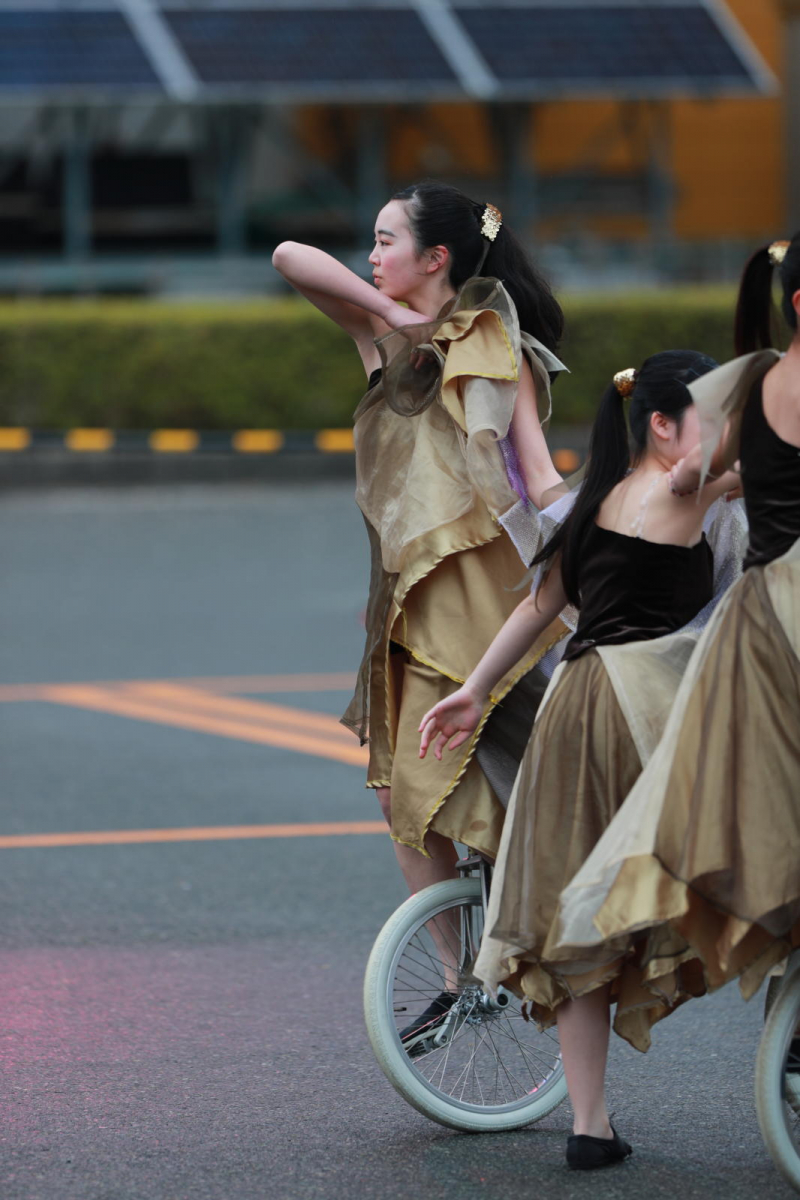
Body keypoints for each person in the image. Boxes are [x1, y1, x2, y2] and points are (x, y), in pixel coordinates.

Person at [418, 350, 741, 1169]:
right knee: (764, 839)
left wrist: (475, 690)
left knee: (578, 917)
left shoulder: (593, 502)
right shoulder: (683, 487)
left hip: (573, 712)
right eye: (713, 413)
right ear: (664, 426)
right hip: (645, 708)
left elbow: (536, 609)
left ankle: (589, 1127)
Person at [272, 182, 570, 902]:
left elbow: (541, 475)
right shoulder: (380, 336)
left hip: (490, 597)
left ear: (436, 256)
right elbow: (287, 256)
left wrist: (607, 540)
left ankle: (522, 931)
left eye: (385, 242)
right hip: (405, 601)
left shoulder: (500, 351)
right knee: (397, 796)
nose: (371, 256)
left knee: (500, 779)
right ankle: (456, 977)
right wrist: (391, 315)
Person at [552, 236, 800, 1034]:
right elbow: (700, 480)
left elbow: (537, 606)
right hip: (698, 665)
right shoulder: (688, 475)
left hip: (717, 637)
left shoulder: (746, 383)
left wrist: (725, 477)